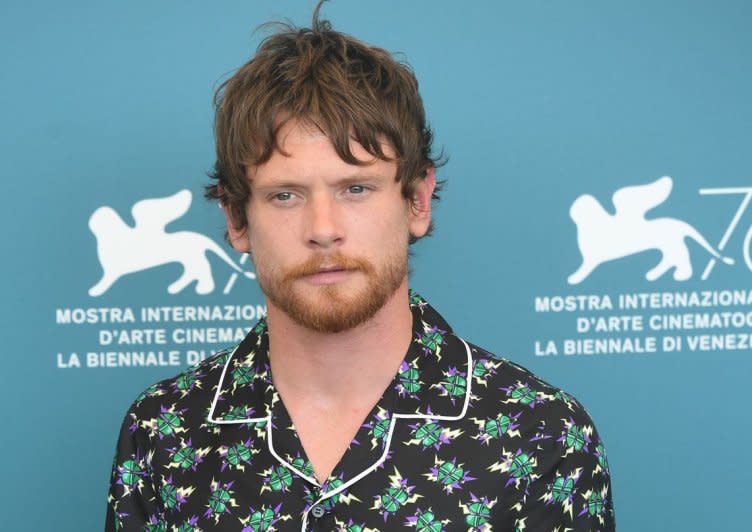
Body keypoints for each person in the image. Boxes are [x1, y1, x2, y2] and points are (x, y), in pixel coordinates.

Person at [105, 4, 615, 531]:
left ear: (417, 201)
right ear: (236, 219)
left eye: (355, 188)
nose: (323, 228)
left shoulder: (542, 432)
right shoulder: (164, 432)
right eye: (285, 195)